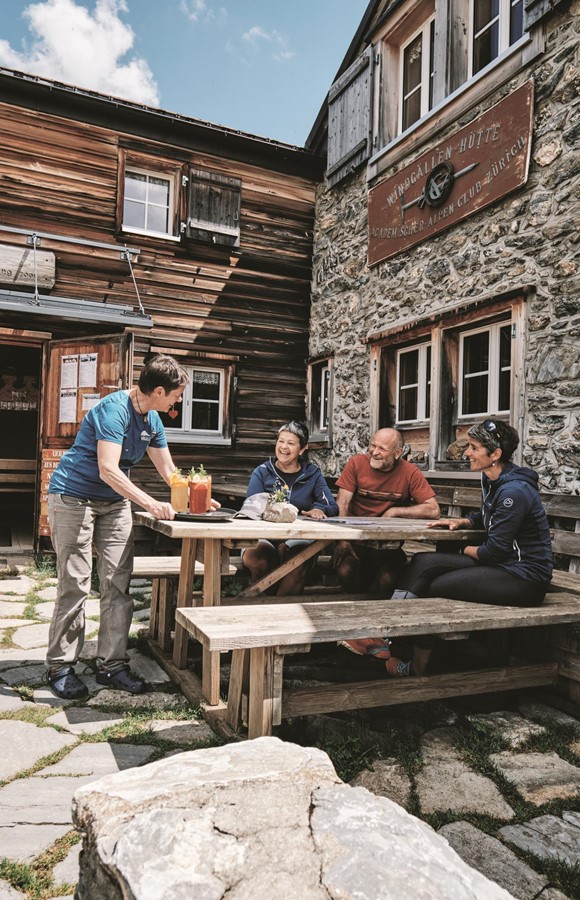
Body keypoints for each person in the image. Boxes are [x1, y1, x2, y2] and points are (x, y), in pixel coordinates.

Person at [346, 419, 554, 677]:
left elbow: (494, 552)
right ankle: (387, 636)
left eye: (474, 447)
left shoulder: (514, 491)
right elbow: (488, 513)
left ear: (495, 454)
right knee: (423, 561)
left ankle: (412, 663)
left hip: (523, 578)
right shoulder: (494, 479)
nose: (466, 452)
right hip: (502, 566)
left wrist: (460, 550)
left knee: (433, 586)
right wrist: (466, 521)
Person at [44, 354, 190, 700]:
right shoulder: (114, 411)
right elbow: (109, 469)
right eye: (176, 394)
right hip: (73, 498)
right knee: (76, 584)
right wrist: (150, 503)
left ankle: (111, 664)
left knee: (117, 583)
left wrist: (197, 495)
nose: (179, 400)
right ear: (158, 390)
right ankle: (60, 667)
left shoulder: (152, 419)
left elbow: (169, 471)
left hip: (113, 504)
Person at [333, 428, 440, 596]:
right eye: (372, 445)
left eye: (382, 448)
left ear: (397, 453)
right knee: (345, 572)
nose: (374, 452)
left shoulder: (410, 472)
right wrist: (343, 541)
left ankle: (374, 612)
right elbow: (342, 502)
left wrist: (395, 511)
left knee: (387, 580)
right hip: (355, 545)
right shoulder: (356, 463)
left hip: (388, 549)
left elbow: (433, 509)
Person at [241, 421, 338, 595]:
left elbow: (331, 506)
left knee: (297, 567)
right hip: (263, 537)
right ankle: (268, 611)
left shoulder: (312, 474)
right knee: (261, 563)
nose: (284, 447)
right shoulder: (262, 472)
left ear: (302, 449)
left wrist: (317, 509)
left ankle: (278, 617)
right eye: (281, 441)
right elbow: (250, 507)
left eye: (291, 443)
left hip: (297, 538)